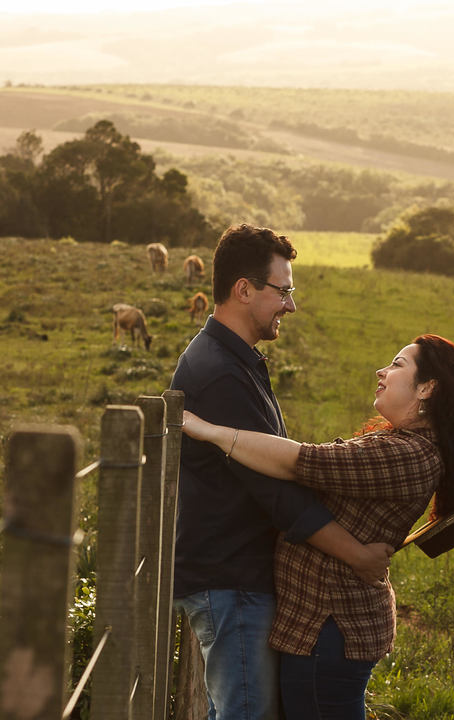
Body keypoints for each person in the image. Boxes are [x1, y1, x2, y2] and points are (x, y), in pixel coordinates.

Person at [182, 333, 454, 720]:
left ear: (427, 388)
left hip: (329, 628)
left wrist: (209, 431)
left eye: (397, 365)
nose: (382, 371)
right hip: (326, 627)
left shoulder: (406, 454)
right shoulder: (402, 443)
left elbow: (297, 462)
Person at [171, 224, 393, 720]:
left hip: (235, 575)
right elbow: (276, 493)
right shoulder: (222, 372)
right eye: (283, 291)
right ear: (244, 290)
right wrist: (357, 554)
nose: (291, 305)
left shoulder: (235, 359)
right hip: (231, 579)